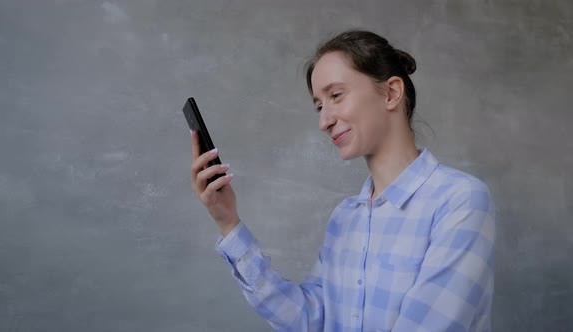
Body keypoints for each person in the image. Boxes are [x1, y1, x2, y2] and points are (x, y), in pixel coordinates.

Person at [190, 30, 495, 331]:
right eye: (319, 106)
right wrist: (229, 223)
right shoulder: (345, 219)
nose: (324, 121)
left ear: (391, 93)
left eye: (336, 95)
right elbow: (310, 321)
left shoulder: (459, 201)